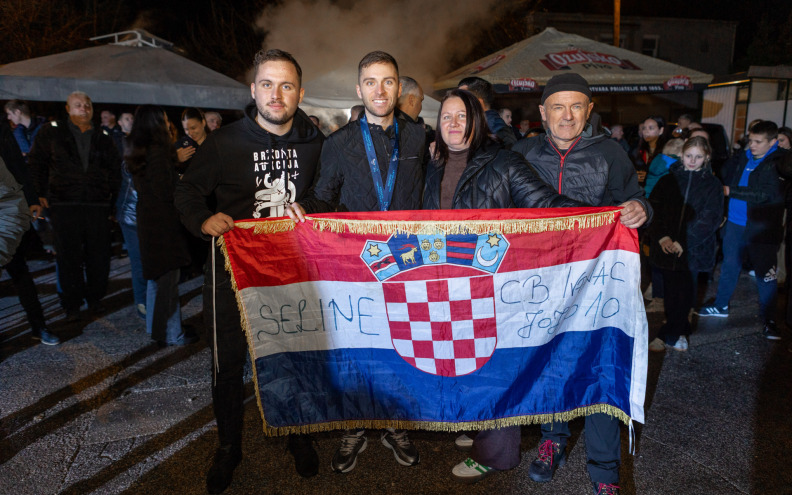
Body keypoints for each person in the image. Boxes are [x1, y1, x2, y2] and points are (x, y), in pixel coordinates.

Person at [479, 72, 650, 495]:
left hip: (597, 285)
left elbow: (636, 198)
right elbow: (493, 208)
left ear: (590, 111)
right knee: (549, 361)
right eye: (558, 106)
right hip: (541, 282)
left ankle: (605, 472)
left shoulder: (611, 152)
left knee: (600, 366)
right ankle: (553, 441)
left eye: (577, 106)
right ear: (542, 112)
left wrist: (640, 207)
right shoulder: (520, 153)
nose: (567, 115)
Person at [174, 49, 324, 493]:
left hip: (292, 274)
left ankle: (297, 435)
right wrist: (203, 221)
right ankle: (228, 447)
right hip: (232, 275)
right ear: (252, 90)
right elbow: (187, 194)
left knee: (294, 358)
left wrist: (312, 208)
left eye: (286, 85)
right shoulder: (224, 143)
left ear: (300, 91)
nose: (276, 94)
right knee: (228, 365)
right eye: (267, 84)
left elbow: (329, 195)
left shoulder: (315, 142)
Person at [287, 50, 424, 474]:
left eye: (387, 82)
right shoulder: (339, 142)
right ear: (358, 88)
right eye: (370, 82)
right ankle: (354, 427)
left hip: (407, 261)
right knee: (357, 349)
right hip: (356, 265)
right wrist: (302, 207)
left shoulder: (420, 137)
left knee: (401, 345)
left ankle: (394, 423)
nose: (379, 90)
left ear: (399, 87)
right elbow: (323, 197)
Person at [28, 91, 121, 321]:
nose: (84, 108)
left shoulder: (103, 135)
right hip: (64, 202)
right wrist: (38, 194)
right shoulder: (51, 131)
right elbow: (37, 163)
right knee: (68, 256)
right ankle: (71, 303)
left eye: (88, 104)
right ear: (68, 108)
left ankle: (95, 298)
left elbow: (115, 171)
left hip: (97, 204)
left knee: (98, 255)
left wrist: (114, 202)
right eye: (78, 105)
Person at [697, 121, 790, 340]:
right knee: (729, 267)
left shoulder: (779, 162)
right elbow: (725, 176)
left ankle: (769, 320)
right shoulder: (743, 156)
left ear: (773, 142)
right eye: (751, 140)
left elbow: (766, 195)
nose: (753, 145)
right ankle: (721, 306)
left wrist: (731, 191)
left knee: (765, 275)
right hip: (736, 224)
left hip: (762, 229)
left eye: (758, 142)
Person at [424, 89, 583, 211]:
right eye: (446, 117)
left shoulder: (505, 163)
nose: (453, 123)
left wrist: (603, 217)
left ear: (477, 121)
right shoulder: (430, 165)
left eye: (462, 115)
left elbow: (546, 204)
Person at [125, 106, 197, 346]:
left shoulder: (140, 149)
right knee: (168, 281)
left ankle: (157, 330)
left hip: (149, 221)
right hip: (162, 224)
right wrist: (178, 174)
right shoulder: (158, 152)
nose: (169, 124)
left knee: (157, 279)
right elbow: (164, 191)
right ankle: (172, 333)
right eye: (165, 120)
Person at [648, 137, 724, 352]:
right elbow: (655, 210)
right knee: (673, 293)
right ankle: (681, 328)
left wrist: (685, 241)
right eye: (689, 155)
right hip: (668, 247)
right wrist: (662, 237)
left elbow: (710, 217)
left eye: (698, 157)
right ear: (681, 155)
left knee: (685, 293)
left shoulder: (712, 184)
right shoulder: (668, 180)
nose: (692, 160)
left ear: (706, 158)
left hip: (694, 249)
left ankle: (669, 334)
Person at [457, 77, 517, 149]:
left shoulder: (499, 133)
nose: (458, 101)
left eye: (463, 97)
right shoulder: (477, 126)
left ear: (478, 102)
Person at [632, 116, 666, 186]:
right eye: (644, 128)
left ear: (661, 130)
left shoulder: (666, 152)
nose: (646, 132)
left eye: (651, 128)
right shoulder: (637, 151)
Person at [177, 107, 210, 172]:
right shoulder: (184, 145)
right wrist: (177, 159)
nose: (190, 133)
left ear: (203, 123)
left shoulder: (215, 143)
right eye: (186, 129)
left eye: (193, 128)